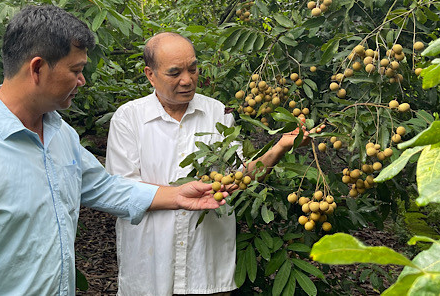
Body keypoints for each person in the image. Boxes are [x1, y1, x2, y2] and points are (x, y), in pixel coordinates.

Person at [0, 6, 226, 296]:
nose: (82, 80)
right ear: (37, 69)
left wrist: (178, 195)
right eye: (76, 69)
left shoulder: (60, 133)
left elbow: (104, 187)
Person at [107, 32, 306, 296]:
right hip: (149, 270)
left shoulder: (217, 112)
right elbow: (121, 193)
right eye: (175, 72)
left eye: (193, 68)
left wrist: (279, 147)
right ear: (150, 74)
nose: (187, 80)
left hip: (206, 269)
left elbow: (238, 179)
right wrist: (180, 196)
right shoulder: (128, 118)